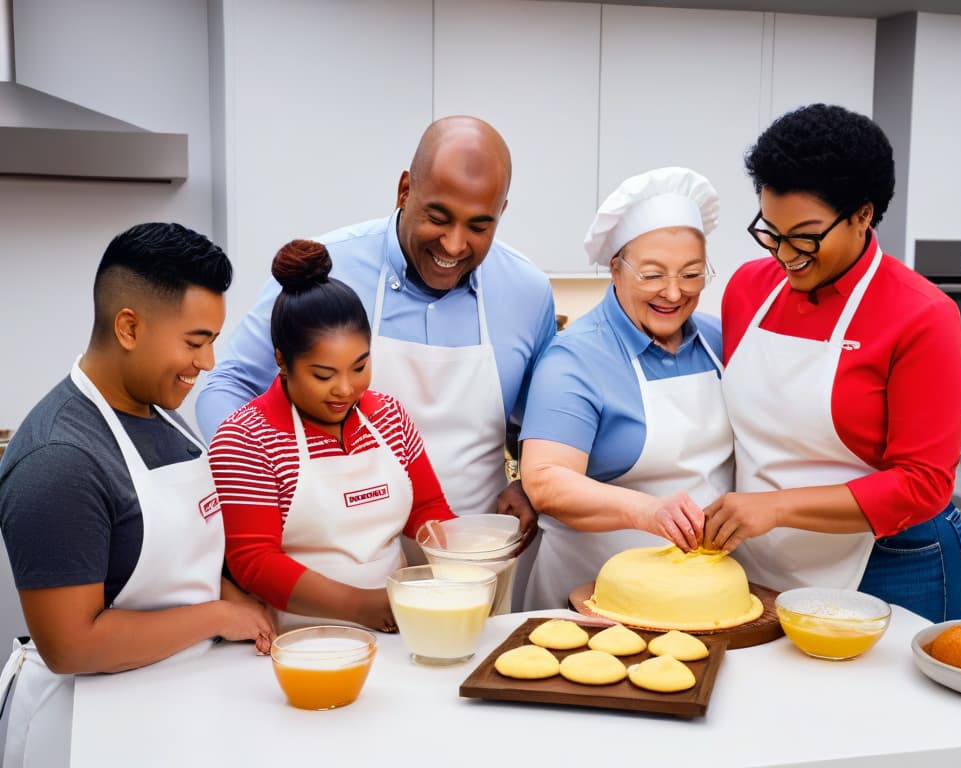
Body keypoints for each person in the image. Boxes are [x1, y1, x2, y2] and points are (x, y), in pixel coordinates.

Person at [195, 116, 555, 558]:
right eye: (438, 218)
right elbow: (227, 385)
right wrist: (257, 482)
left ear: (501, 212)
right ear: (405, 190)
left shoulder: (527, 291)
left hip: (474, 556)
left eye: (479, 227)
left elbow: (542, 421)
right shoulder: (325, 269)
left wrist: (530, 482)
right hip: (333, 556)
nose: (455, 244)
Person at [0, 223, 275, 768]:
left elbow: (169, 563)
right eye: (195, 342)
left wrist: (232, 597)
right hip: (86, 727)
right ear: (129, 326)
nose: (208, 363)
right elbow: (72, 644)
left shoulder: (163, 416)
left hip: (175, 698)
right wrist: (219, 615)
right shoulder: (58, 459)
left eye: (212, 342)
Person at [705, 103, 961, 623]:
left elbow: (922, 483)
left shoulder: (923, 317)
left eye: (804, 236)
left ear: (863, 214)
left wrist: (775, 507)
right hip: (762, 556)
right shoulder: (747, 290)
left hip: (892, 559)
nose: (784, 256)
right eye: (770, 231)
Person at [208, 239, 456, 633]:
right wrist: (360, 606)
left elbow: (426, 509)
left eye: (359, 367)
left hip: (399, 625)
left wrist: (460, 553)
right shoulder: (245, 438)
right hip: (298, 639)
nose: (345, 389)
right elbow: (253, 560)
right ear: (281, 361)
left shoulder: (390, 416)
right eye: (323, 375)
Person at [518, 167, 733, 610]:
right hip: (588, 594)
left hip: (700, 595)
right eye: (652, 274)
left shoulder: (718, 341)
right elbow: (545, 481)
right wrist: (649, 511)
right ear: (615, 269)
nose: (673, 293)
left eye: (691, 274)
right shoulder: (575, 358)